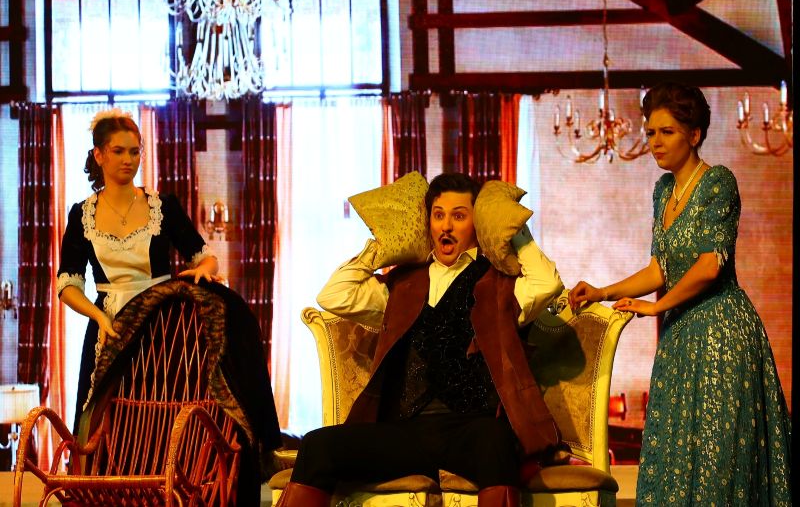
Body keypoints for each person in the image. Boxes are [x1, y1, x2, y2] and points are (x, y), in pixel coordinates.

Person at [277, 172, 564, 507]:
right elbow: (334, 295)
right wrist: (383, 245)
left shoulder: (500, 284)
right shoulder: (402, 285)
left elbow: (547, 283)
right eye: (438, 215)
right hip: (405, 431)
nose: (446, 226)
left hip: (470, 429)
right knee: (317, 446)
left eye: (459, 216)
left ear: (477, 224)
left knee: (496, 440)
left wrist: (510, 229)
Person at [568, 82, 792, 506]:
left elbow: (710, 265)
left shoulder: (718, 182)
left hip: (722, 333)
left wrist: (657, 307)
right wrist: (602, 291)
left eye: (666, 132)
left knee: (717, 459)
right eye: (651, 132)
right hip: (679, 338)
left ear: (694, 134)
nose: (655, 142)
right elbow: (659, 268)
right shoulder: (662, 191)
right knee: (676, 454)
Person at [56, 107, 282, 503]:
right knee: (111, 424)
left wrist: (203, 273)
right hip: (110, 327)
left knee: (166, 420)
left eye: (135, 151)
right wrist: (96, 315)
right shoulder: (81, 215)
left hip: (165, 331)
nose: (128, 160)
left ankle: (177, 491)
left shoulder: (162, 206)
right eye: (119, 151)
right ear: (99, 155)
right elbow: (68, 284)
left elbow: (204, 257)